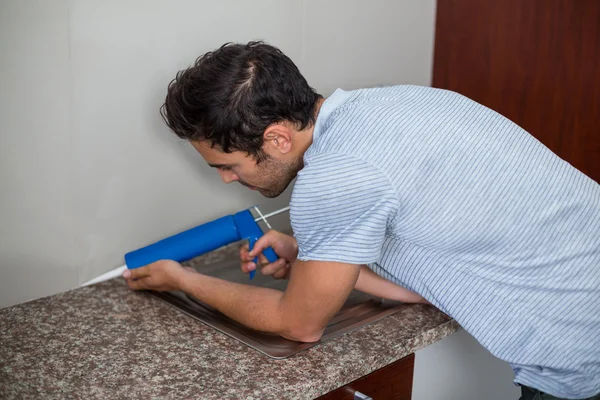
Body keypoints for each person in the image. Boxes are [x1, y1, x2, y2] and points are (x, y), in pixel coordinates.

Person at [122, 42, 600, 399]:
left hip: (583, 353)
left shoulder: (333, 178)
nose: (227, 180)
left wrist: (182, 279)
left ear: (277, 140)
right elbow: (429, 278)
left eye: (228, 165)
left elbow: (298, 324)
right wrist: (308, 254)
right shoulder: (400, 103)